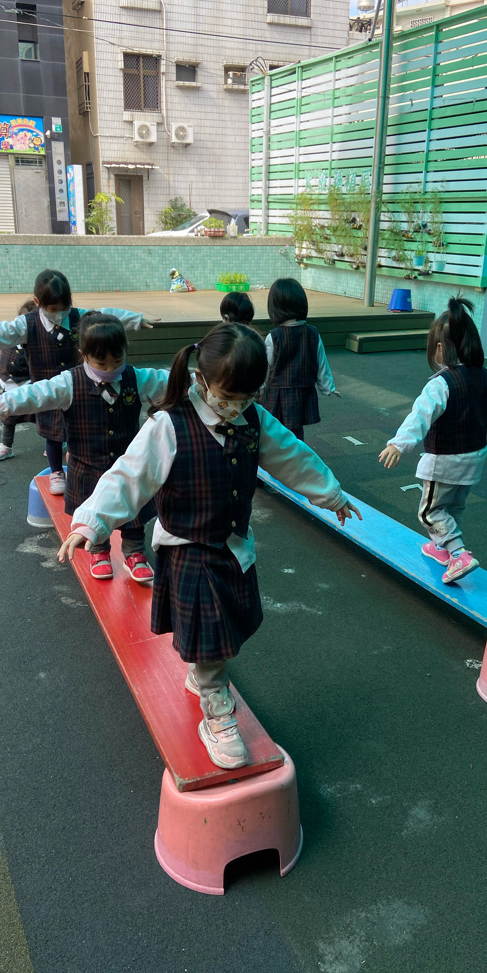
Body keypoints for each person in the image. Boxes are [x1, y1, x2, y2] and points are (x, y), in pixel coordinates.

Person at [57, 322, 361, 770]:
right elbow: (127, 475)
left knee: (228, 628)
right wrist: (90, 522)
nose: (237, 405)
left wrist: (330, 493)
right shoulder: (169, 424)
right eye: (229, 396)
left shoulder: (252, 417)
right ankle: (217, 712)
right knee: (211, 636)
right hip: (188, 548)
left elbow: (291, 455)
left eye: (248, 396)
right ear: (201, 379)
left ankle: (203, 673)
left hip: (232, 546)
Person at [0, 312, 170, 584]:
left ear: (126, 352)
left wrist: (205, 383)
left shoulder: (137, 378)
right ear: (83, 355)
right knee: (92, 507)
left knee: (132, 508)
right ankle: (98, 551)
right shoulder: (69, 382)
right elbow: (38, 393)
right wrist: (1, 404)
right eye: (101, 363)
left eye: (117, 361)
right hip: (87, 464)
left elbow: (169, 381)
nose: (110, 369)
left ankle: (134, 552)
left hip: (127, 461)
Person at [0, 269, 158, 495]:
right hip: (48, 388)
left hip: (82, 387)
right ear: (38, 302)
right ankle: (56, 471)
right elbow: (3, 332)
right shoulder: (27, 324)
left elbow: (104, 316)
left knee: (82, 427)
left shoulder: (78, 318)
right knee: (53, 433)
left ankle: (80, 458)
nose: (59, 314)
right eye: (53, 309)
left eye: (64, 308)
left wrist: (135, 319)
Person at [378, 296, 487, 585]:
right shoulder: (485, 375)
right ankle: (442, 549)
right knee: (454, 507)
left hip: (445, 461)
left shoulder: (440, 384)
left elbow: (419, 417)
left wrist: (398, 444)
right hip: (475, 457)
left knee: (430, 511)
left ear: (440, 348)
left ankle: (459, 554)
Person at [262, 278, 339, 440]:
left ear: (275, 307)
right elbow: (321, 364)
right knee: (296, 433)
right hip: (302, 393)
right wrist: (328, 387)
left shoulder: (273, 337)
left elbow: (265, 368)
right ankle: (297, 454)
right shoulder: (312, 333)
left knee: (273, 431)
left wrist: (258, 390)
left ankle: (276, 455)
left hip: (277, 394)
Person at [0, 300, 36, 461]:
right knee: (8, 417)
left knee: (43, 416)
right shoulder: (9, 339)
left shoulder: (36, 344)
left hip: (29, 385)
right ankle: (6, 446)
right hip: (10, 384)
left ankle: (56, 441)